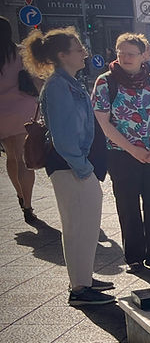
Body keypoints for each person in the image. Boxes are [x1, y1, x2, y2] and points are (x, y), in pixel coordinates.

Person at [22, 27, 113, 305]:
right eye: (78, 49)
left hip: (73, 164)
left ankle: (83, 279)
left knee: (84, 226)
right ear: (62, 55)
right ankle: (80, 289)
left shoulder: (68, 82)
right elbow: (63, 135)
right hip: (70, 165)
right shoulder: (59, 86)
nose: (84, 53)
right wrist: (83, 167)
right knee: (78, 227)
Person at [92, 32, 150, 273]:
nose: (126, 58)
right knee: (128, 206)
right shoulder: (106, 82)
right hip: (121, 154)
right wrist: (133, 149)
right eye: (121, 53)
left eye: (131, 54)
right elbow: (103, 123)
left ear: (143, 55)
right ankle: (135, 257)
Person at [0, 16, 39, 223]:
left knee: (11, 156)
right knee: (24, 159)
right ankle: (28, 206)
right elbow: (36, 77)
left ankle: (19, 194)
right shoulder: (21, 52)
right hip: (23, 109)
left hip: (2, 113)